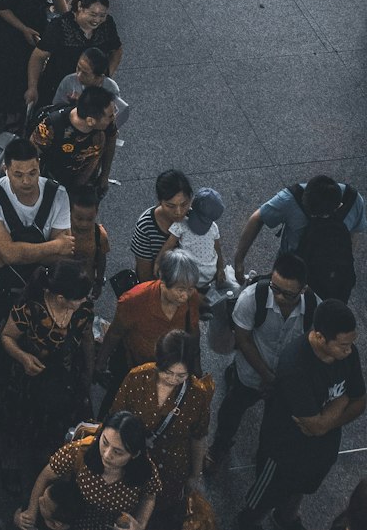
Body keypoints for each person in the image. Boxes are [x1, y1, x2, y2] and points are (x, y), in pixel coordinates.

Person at [0, 137, 74, 391]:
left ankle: (5, 376)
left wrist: (14, 249)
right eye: (18, 174)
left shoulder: (58, 194)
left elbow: (57, 255)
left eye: (32, 173)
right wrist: (52, 246)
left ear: (39, 166)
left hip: (31, 291)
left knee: (18, 341)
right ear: (5, 169)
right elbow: (54, 249)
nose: (26, 181)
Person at [239, 299, 365, 530]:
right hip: (283, 452)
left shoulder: (347, 353)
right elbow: (316, 424)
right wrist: (343, 399)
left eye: (350, 344)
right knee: (262, 499)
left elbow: (359, 402)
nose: (349, 351)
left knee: (301, 489)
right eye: (342, 345)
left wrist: (328, 418)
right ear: (319, 337)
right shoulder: (295, 366)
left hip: (319, 451)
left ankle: (285, 518)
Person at [207, 253, 318, 471]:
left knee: (274, 422)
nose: (278, 297)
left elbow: (311, 349)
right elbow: (244, 340)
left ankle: (265, 457)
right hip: (250, 372)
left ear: (302, 289)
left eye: (287, 294)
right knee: (232, 410)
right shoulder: (252, 298)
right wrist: (268, 377)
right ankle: (219, 446)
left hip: (286, 379)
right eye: (275, 288)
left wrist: (282, 381)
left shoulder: (314, 309)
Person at [0, 262, 94, 488]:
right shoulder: (30, 308)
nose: (84, 301)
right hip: (30, 374)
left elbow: (86, 338)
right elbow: (7, 337)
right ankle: (11, 459)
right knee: (19, 420)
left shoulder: (83, 308)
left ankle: (49, 459)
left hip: (65, 374)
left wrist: (89, 371)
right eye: (79, 299)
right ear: (60, 298)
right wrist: (23, 357)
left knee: (58, 420)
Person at [111, 331, 210, 528]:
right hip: (132, 459)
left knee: (159, 512)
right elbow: (115, 419)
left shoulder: (198, 394)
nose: (173, 380)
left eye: (181, 375)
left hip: (172, 467)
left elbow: (198, 436)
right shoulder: (137, 378)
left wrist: (195, 475)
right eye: (167, 372)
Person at [233, 174, 365, 302]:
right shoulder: (353, 200)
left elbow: (257, 217)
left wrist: (239, 260)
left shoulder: (291, 199)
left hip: (315, 270)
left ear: (339, 206)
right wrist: (239, 260)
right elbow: (353, 234)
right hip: (320, 273)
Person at [18, 413, 159, 530]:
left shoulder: (145, 469)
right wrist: (32, 510)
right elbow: (46, 475)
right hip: (77, 522)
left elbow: (149, 495)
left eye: (118, 452)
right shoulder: (79, 451)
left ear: (134, 455)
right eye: (104, 442)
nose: (106, 454)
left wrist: (140, 525)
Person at [96, 251, 202, 384]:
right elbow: (115, 334)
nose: (186, 296)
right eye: (180, 290)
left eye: (190, 289)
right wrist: (100, 364)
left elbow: (193, 331)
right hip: (136, 369)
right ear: (163, 283)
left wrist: (196, 367)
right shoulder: (133, 301)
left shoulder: (192, 297)